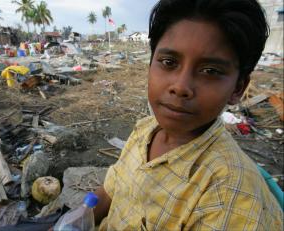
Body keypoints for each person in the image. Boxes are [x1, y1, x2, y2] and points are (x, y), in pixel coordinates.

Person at [93, 0, 283, 230]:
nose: (181, 87)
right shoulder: (144, 130)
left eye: (210, 71)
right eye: (168, 62)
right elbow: (108, 193)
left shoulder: (226, 198)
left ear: (238, 89)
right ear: (151, 65)